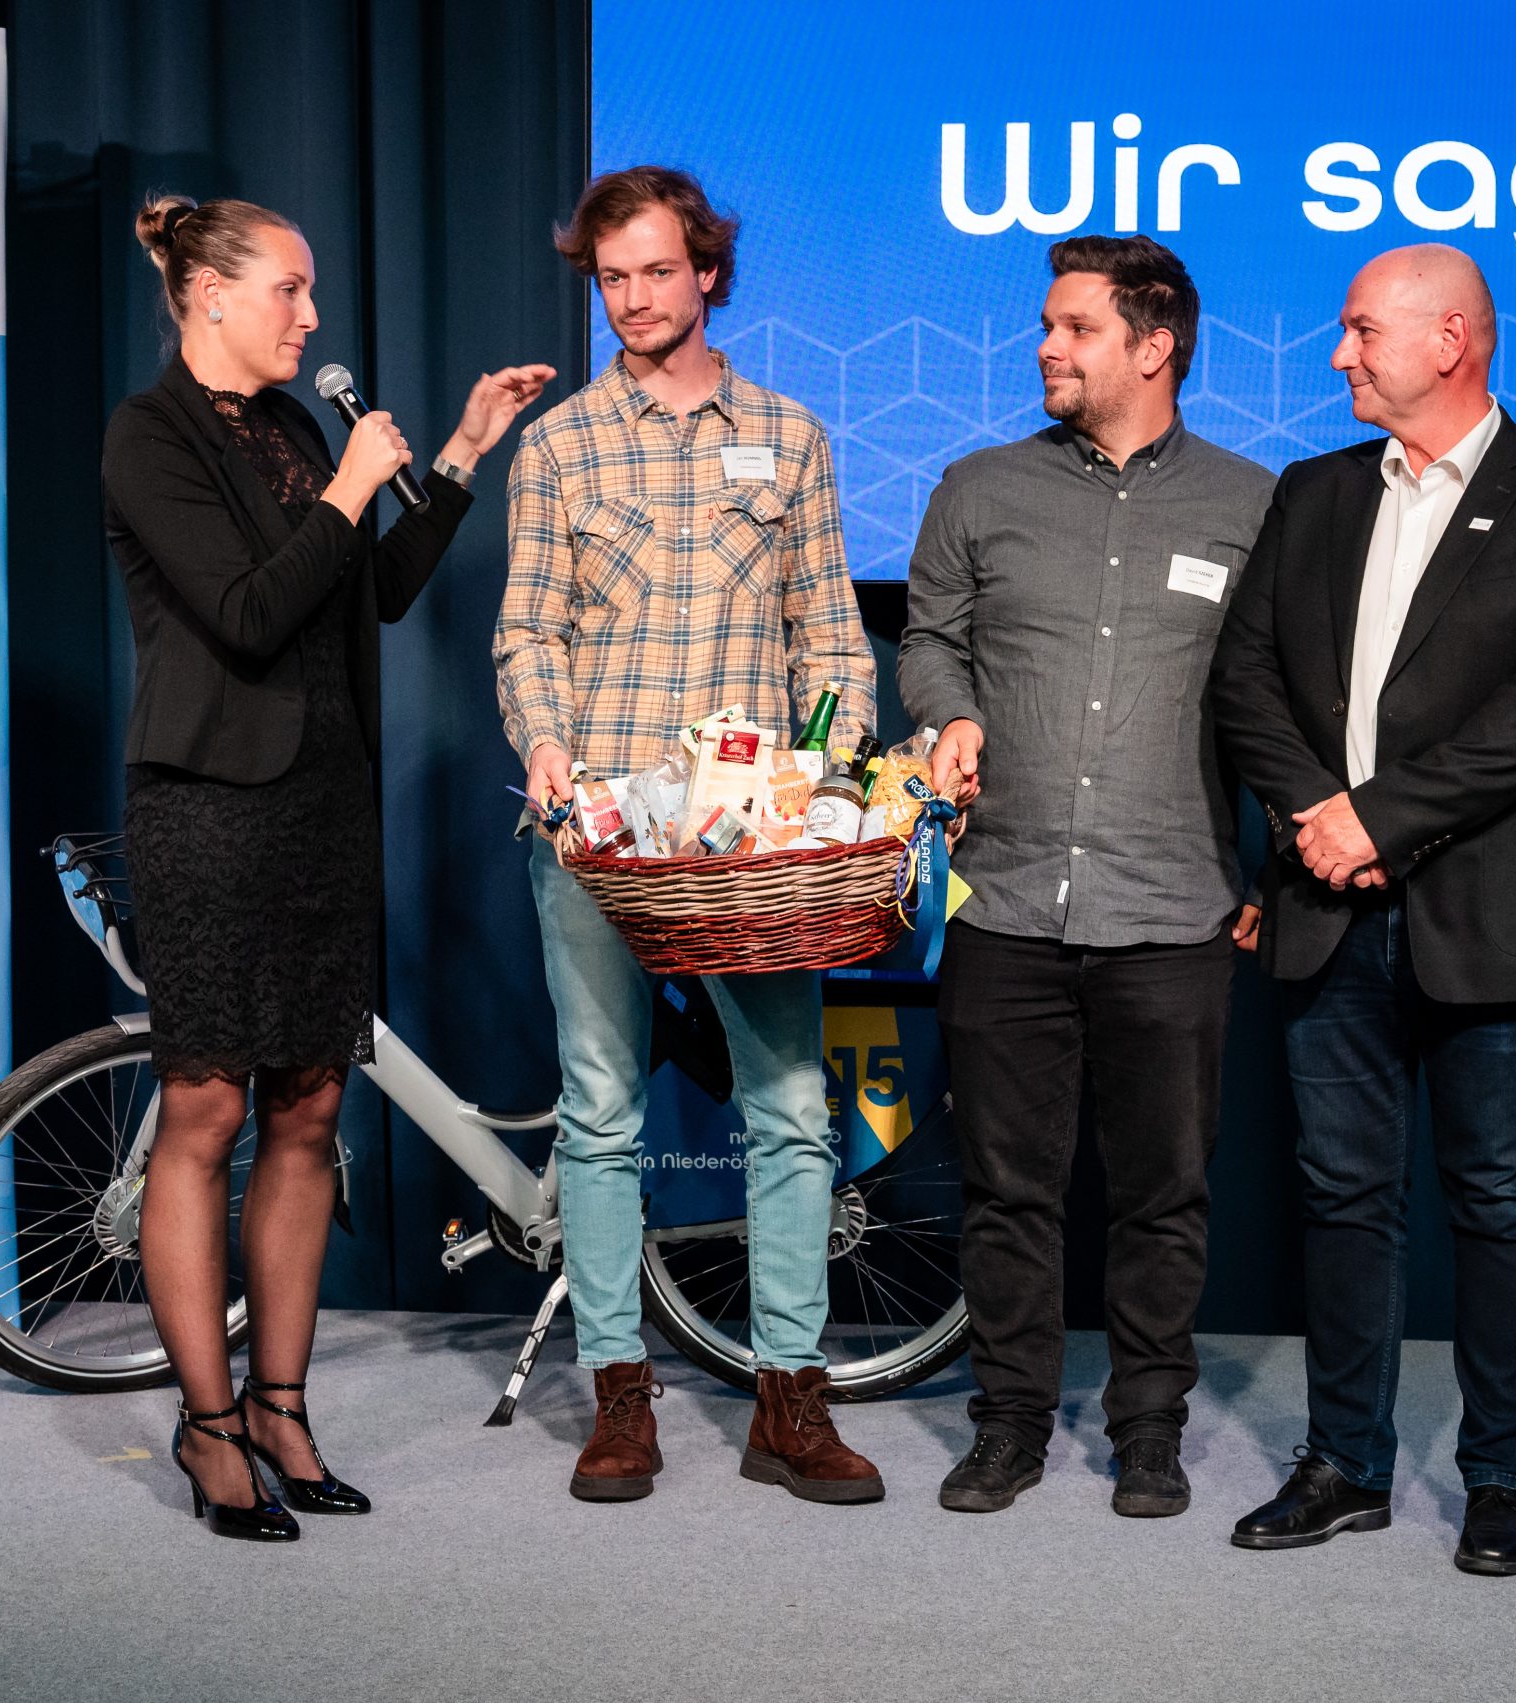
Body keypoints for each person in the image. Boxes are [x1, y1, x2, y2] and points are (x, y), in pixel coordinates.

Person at [102, 192, 553, 1540]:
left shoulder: (298, 430)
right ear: (211, 296)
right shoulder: (149, 436)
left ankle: (282, 1406)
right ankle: (208, 1423)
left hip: (320, 810)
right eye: (290, 289)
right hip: (209, 811)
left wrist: (460, 454)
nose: (311, 314)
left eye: (310, 291)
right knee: (208, 1113)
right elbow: (246, 616)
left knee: (308, 1109)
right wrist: (352, 485)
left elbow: (374, 587)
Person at [1212, 243, 1516, 1576]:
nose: (1337, 353)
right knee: (1342, 1195)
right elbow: (1244, 679)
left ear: (1451, 340)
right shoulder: (1315, 491)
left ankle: (1501, 1472)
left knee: (1498, 1197)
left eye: (1359, 330)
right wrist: (1316, 816)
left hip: (1494, 911)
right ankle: (1345, 1460)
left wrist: (1381, 818)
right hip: (1325, 902)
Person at [494, 166, 884, 1506]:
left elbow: (830, 634)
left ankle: (790, 1398)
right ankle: (620, 1393)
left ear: (707, 272)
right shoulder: (558, 445)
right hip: (598, 831)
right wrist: (545, 743)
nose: (634, 298)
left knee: (790, 1106)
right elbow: (527, 631)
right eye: (613, 277)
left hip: (743, 842)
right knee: (601, 1113)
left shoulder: (791, 433)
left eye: (658, 270)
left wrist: (823, 775)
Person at [899, 235, 1274, 1518]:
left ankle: (1148, 1427)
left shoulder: (1253, 505)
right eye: (1047, 324)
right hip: (1003, 900)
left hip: (1172, 904)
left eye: (1074, 328)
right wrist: (948, 712)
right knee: (1008, 1191)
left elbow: (1283, 700)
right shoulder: (977, 487)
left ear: (1154, 346)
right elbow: (930, 640)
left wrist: (1274, 862)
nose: (1045, 345)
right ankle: (1007, 1422)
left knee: (1163, 1193)